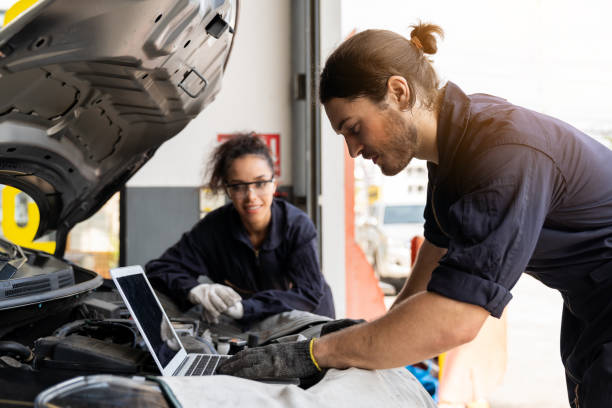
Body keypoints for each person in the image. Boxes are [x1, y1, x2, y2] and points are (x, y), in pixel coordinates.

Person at [218, 24, 612, 407]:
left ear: (398, 92)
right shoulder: (455, 154)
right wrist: (365, 335)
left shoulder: (503, 153)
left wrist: (319, 353)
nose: (353, 150)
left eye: (354, 128)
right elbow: (430, 273)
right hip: (588, 309)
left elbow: (455, 318)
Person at [146, 133, 335, 325]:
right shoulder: (214, 229)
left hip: (307, 319)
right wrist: (195, 291)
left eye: (260, 183)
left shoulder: (296, 225)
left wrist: (247, 308)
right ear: (228, 190)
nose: (251, 196)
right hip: (249, 327)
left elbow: (309, 292)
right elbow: (160, 269)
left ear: (273, 184)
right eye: (238, 187)